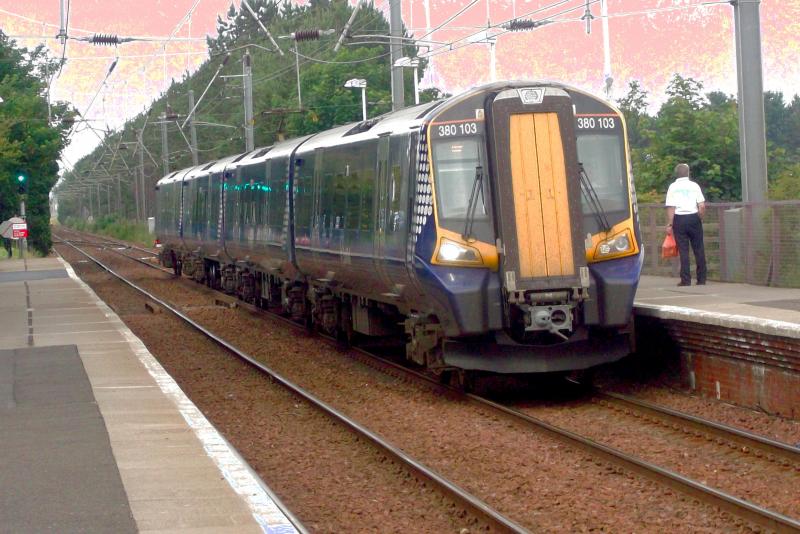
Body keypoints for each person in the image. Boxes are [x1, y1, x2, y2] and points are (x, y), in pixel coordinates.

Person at [665, 163, 707, 286]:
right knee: (699, 249)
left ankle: (686, 280)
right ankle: (701, 279)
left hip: (679, 219)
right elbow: (702, 205)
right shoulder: (694, 186)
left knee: (683, 251)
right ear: (688, 173)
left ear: (676, 173)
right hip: (694, 218)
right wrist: (700, 217)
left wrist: (670, 224)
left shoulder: (672, 187)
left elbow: (671, 207)